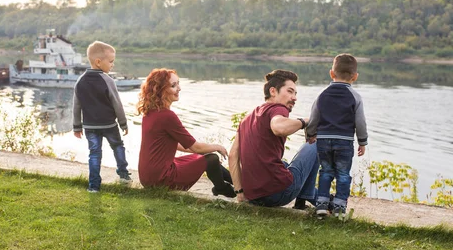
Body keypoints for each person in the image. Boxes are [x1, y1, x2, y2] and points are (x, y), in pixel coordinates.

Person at [137, 68, 236, 197]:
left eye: (178, 83)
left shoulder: (149, 112)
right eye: (173, 85)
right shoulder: (167, 116)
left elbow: (175, 145)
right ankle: (224, 188)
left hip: (147, 177)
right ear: (161, 90)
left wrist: (202, 151)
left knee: (203, 158)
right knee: (212, 158)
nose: (179, 88)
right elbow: (195, 146)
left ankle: (240, 184)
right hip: (162, 178)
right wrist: (217, 147)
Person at [228, 69, 319, 208]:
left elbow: (233, 155)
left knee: (284, 164)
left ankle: (322, 201)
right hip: (279, 193)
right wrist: (306, 122)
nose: (294, 97)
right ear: (273, 91)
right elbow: (279, 128)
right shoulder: (278, 108)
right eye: (290, 91)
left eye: (295, 93)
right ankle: (304, 201)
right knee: (315, 143)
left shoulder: (246, 118)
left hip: (254, 196)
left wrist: (240, 193)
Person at [306, 54, 368, 217]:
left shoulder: (322, 94)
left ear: (331, 73)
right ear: (355, 77)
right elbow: (360, 122)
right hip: (345, 142)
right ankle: (339, 207)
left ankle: (321, 205)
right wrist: (362, 141)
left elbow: (314, 117)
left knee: (325, 171)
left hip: (324, 140)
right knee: (342, 174)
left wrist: (311, 134)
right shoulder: (355, 97)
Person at [73, 40, 131, 193]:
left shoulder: (80, 81)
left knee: (94, 154)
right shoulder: (108, 80)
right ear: (98, 62)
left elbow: (76, 106)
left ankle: (93, 186)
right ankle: (124, 175)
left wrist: (76, 126)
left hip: (90, 127)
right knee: (118, 146)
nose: (112, 65)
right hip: (109, 125)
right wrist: (123, 124)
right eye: (111, 61)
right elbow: (117, 104)